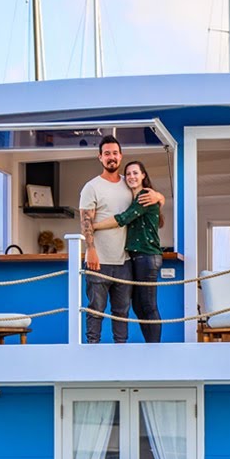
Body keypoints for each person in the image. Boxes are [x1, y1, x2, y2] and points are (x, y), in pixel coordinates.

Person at [79, 136, 161, 343]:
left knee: (122, 312)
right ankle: (92, 352)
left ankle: (120, 353)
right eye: (107, 154)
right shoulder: (92, 187)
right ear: (100, 157)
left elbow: (149, 199)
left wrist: (160, 197)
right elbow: (85, 220)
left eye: (115, 153)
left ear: (120, 156)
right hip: (99, 260)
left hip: (125, 261)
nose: (111, 157)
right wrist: (91, 249)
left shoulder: (130, 183)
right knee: (96, 310)